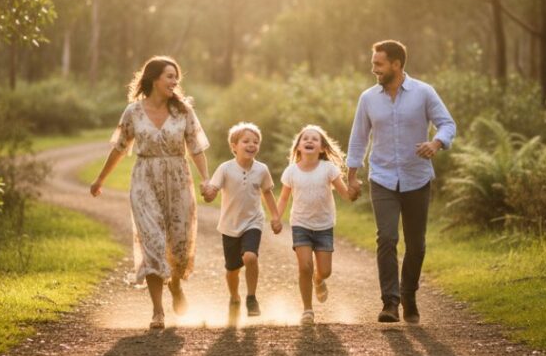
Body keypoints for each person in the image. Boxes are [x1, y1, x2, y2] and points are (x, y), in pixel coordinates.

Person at [90, 56, 210, 330]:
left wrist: (206, 179)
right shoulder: (132, 112)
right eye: (169, 76)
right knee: (152, 242)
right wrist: (100, 179)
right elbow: (120, 147)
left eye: (176, 77)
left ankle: (176, 286)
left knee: (178, 246)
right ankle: (158, 312)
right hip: (144, 179)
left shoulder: (184, 112)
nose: (174, 81)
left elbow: (196, 148)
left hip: (179, 180)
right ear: (154, 79)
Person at [346, 40, 456, 324]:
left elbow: (447, 124)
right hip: (382, 177)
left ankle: (409, 293)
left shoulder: (424, 92)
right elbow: (359, 138)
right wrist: (352, 176)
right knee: (387, 238)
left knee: (416, 244)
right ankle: (390, 302)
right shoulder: (368, 98)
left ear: (396, 64)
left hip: (417, 177)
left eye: (379, 64)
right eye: (373, 64)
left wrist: (436, 143)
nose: (374, 70)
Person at [275, 124, 354, 325]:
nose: (309, 141)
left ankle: (319, 280)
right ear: (298, 147)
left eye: (315, 139)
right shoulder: (291, 171)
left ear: (321, 148)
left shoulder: (329, 169)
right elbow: (284, 198)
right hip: (300, 224)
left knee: (324, 271)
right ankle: (307, 310)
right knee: (304, 266)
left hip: (324, 225)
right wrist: (277, 217)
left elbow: (345, 194)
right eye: (305, 139)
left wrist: (354, 191)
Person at [202, 122, 280, 319]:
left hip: (253, 222)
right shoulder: (225, 168)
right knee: (232, 269)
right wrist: (208, 193)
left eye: (255, 142)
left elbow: (268, 193)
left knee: (250, 257)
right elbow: (212, 192)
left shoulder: (261, 169)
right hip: (229, 225)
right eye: (246, 141)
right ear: (234, 146)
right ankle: (234, 296)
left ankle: (251, 297)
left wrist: (275, 216)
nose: (251, 145)